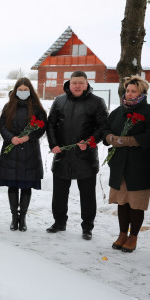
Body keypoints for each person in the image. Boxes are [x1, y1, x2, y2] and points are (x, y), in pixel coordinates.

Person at [46, 71, 108, 240]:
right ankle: (59, 222)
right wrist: (53, 145)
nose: (78, 86)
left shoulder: (96, 102)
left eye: (81, 82)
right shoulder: (59, 101)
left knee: (87, 195)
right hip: (62, 155)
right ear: (69, 83)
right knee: (59, 193)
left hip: (85, 157)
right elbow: (50, 124)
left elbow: (103, 127)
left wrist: (90, 141)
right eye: (75, 82)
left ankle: (87, 226)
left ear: (87, 84)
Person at [103, 75, 150, 252]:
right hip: (119, 166)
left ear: (142, 92)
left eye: (133, 91)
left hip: (140, 167)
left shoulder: (148, 112)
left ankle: (133, 237)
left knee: (136, 204)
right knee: (122, 202)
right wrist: (110, 137)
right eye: (127, 91)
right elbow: (105, 129)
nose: (129, 94)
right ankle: (122, 234)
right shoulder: (118, 112)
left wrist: (129, 140)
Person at [0, 78, 47, 231]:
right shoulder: (9, 106)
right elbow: (2, 125)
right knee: (12, 185)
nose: (23, 92)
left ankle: (22, 218)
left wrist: (29, 137)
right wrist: (11, 137)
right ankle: (14, 217)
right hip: (12, 149)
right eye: (20, 89)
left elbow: (41, 127)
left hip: (29, 151)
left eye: (26, 89)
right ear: (16, 90)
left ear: (30, 90)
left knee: (26, 186)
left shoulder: (37, 108)